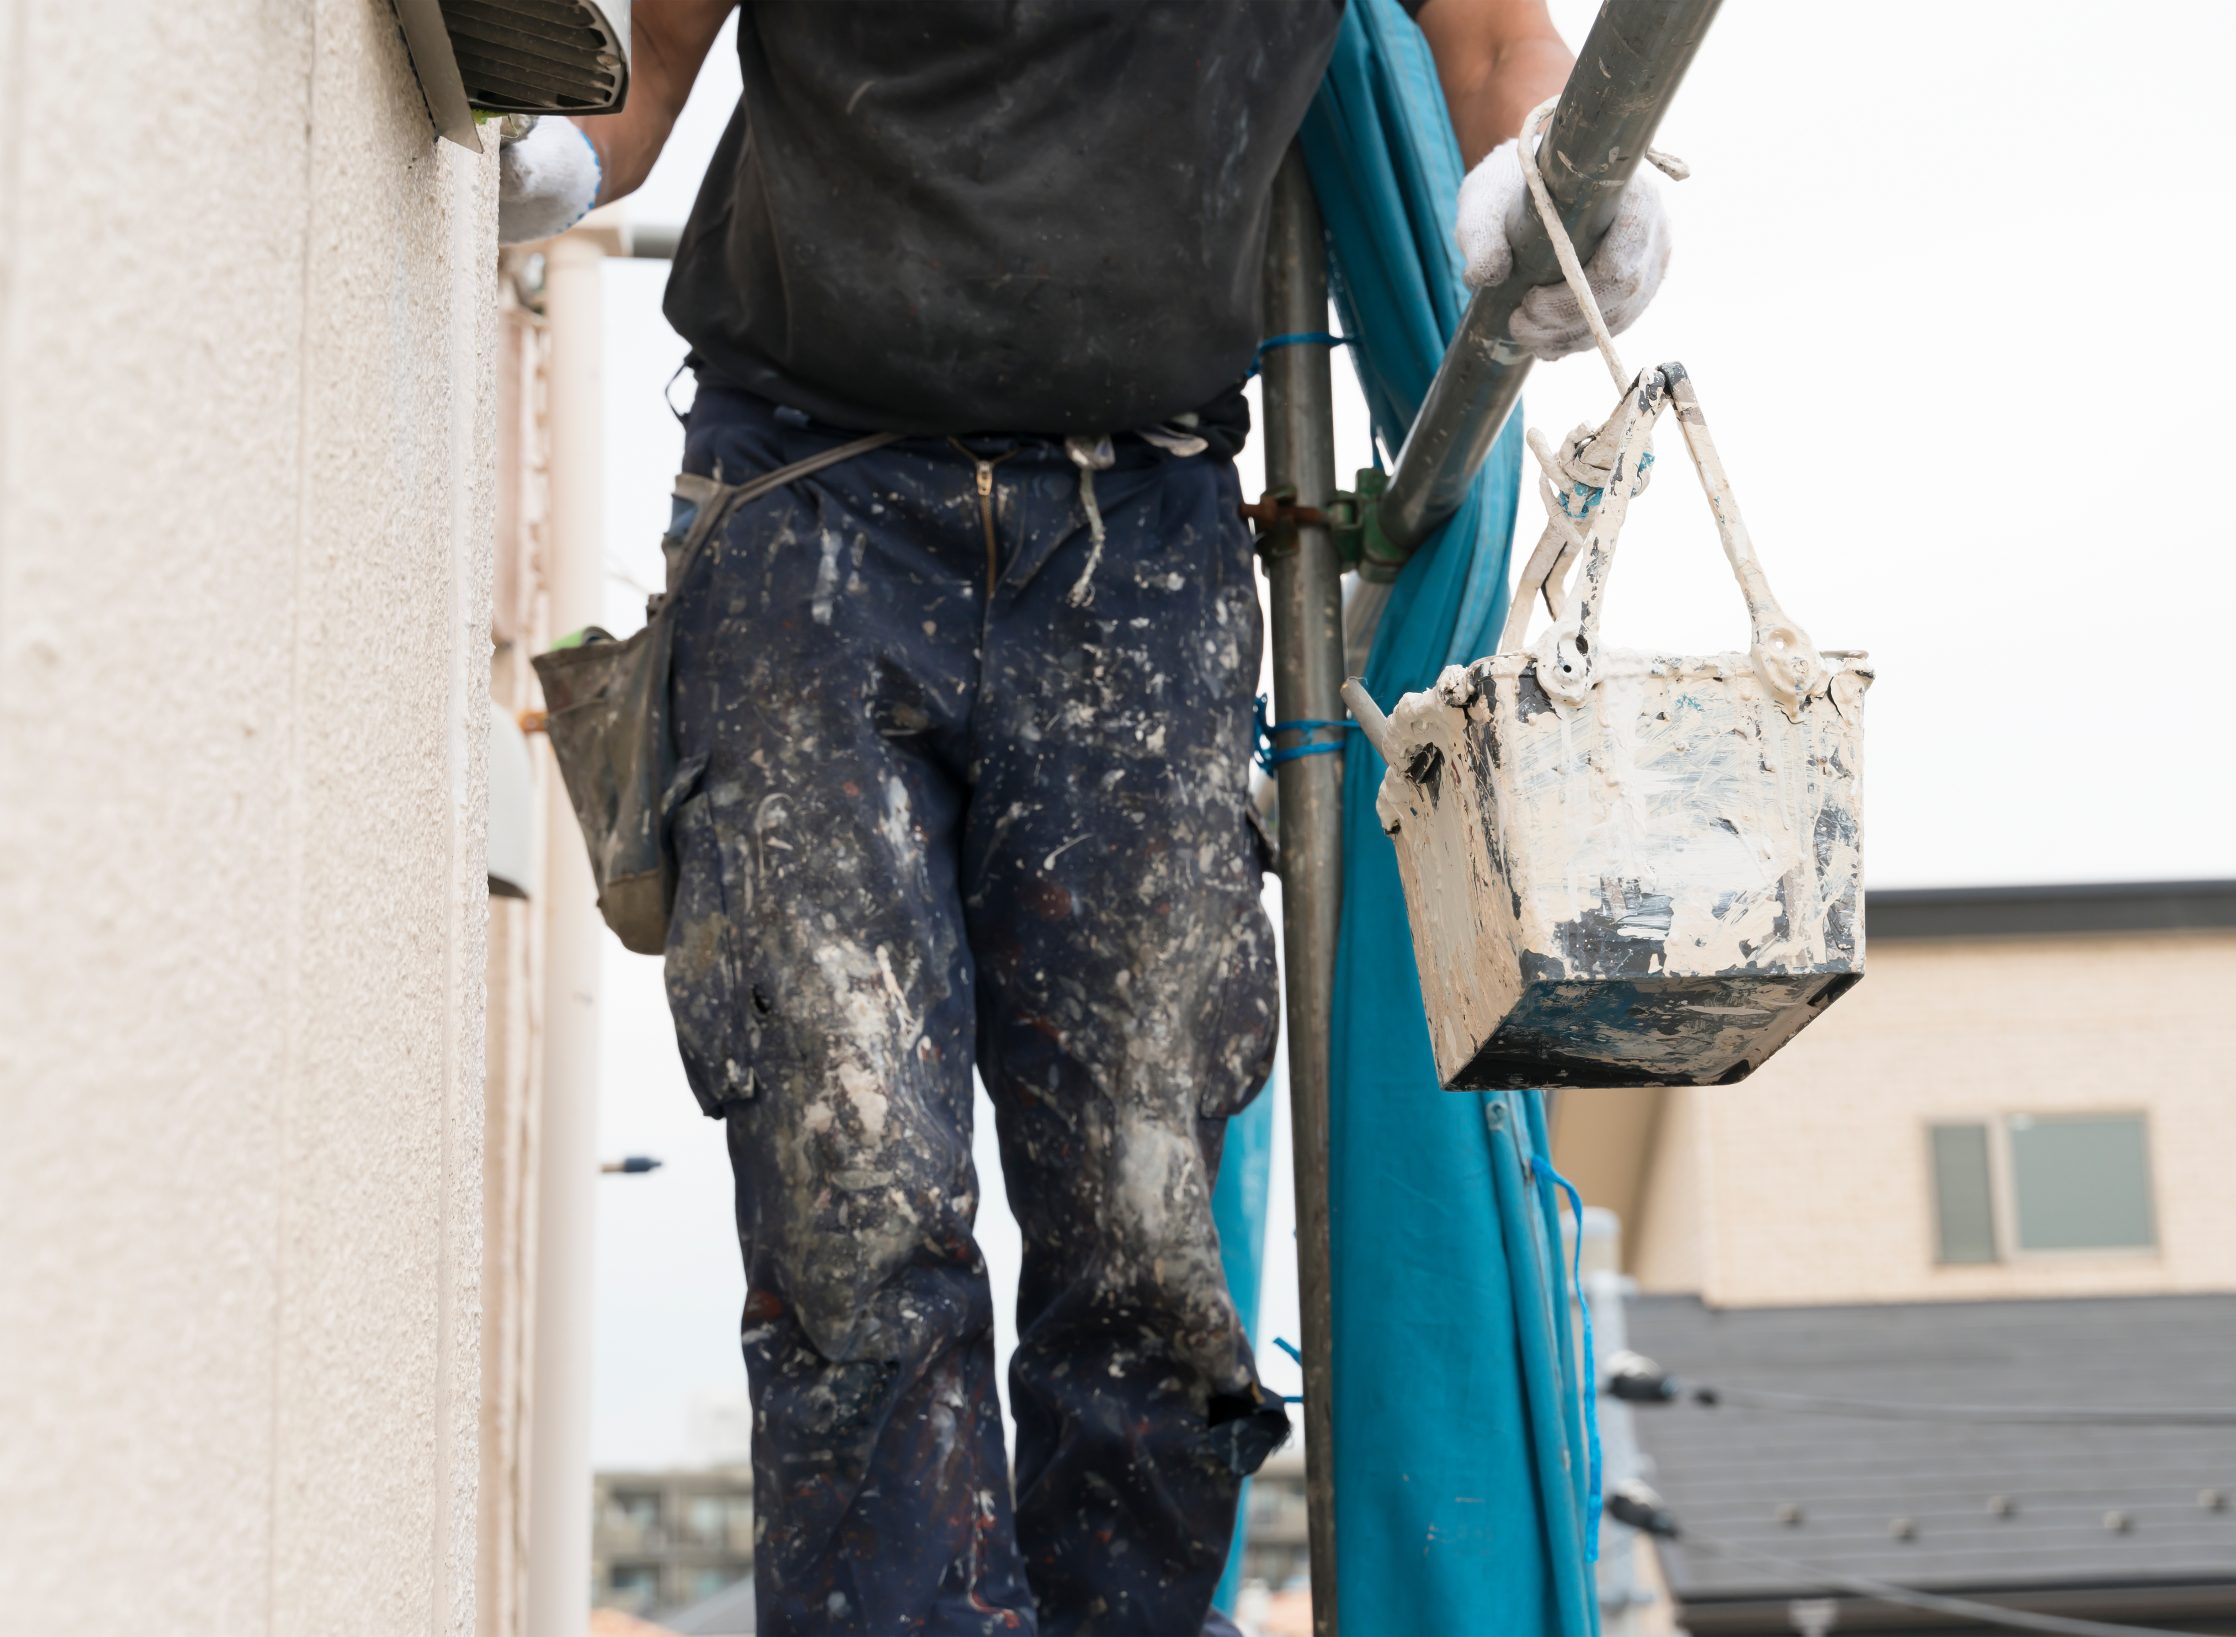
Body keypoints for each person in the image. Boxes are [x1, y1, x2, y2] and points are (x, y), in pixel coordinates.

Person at [499, 4, 1668, 1631]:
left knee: (1143, 1251)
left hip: (1141, 532)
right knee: (857, 1210)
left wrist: (1563, 176)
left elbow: (1489, 43)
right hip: (811, 497)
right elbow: (655, 48)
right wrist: (564, 141)